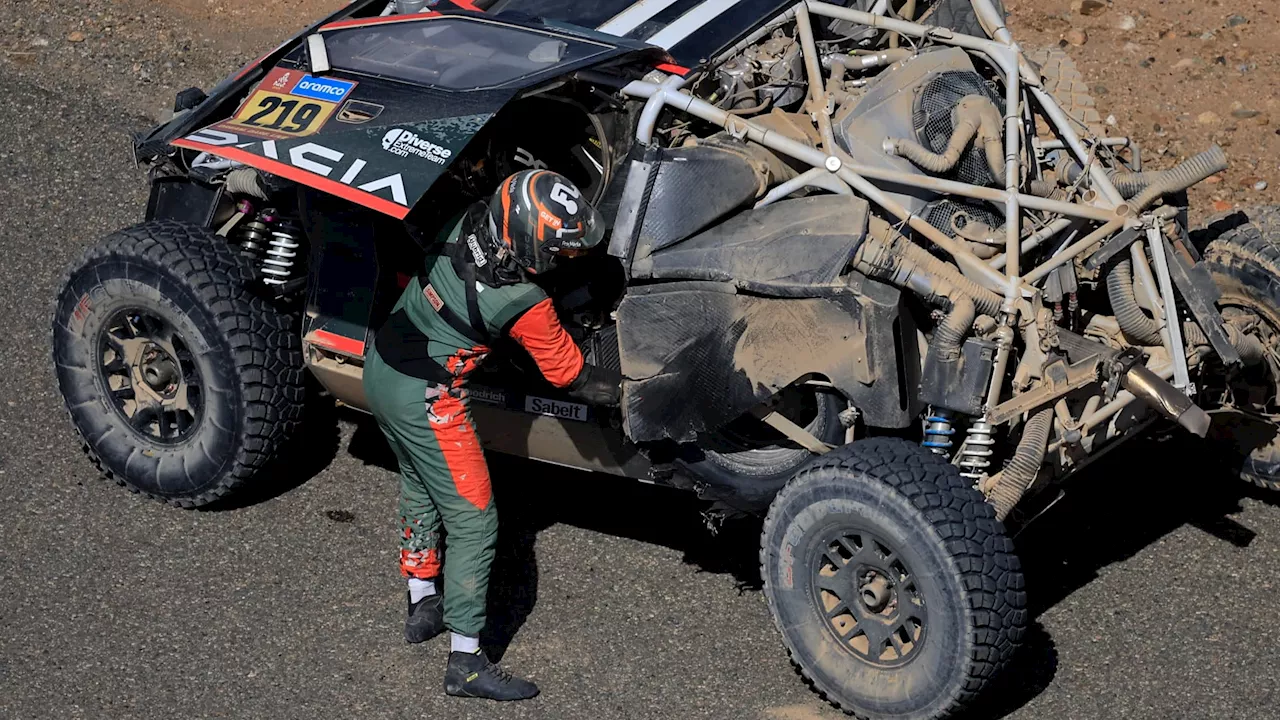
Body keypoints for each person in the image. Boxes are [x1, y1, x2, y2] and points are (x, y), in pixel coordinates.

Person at [363, 170, 621, 701]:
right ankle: (466, 662)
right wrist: (633, 389)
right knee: (475, 522)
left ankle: (421, 599)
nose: (568, 258)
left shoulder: (464, 219)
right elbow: (571, 376)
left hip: (381, 365)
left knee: (419, 481)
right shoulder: (526, 303)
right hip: (427, 398)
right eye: (562, 251)